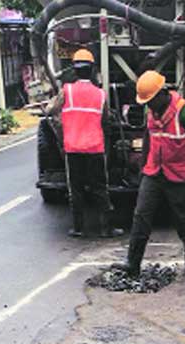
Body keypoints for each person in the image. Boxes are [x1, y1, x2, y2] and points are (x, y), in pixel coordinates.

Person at [112, 71, 185, 277]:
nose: (149, 105)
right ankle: (132, 263)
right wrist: (142, 165)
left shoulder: (184, 110)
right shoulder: (150, 111)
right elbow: (148, 136)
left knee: (183, 217)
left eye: (151, 100)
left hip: (178, 174)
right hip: (154, 171)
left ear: (163, 93)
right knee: (141, 216)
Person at [47, 49, 123, 238]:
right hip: (95, 148)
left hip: (73, 148)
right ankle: (107, 228)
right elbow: (106, 118)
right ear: (92, 70)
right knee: (100, 188)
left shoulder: (67, 91)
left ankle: (78, 228)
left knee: (76, 188)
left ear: (74, 69)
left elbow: (51, 110)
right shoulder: (100, 94)